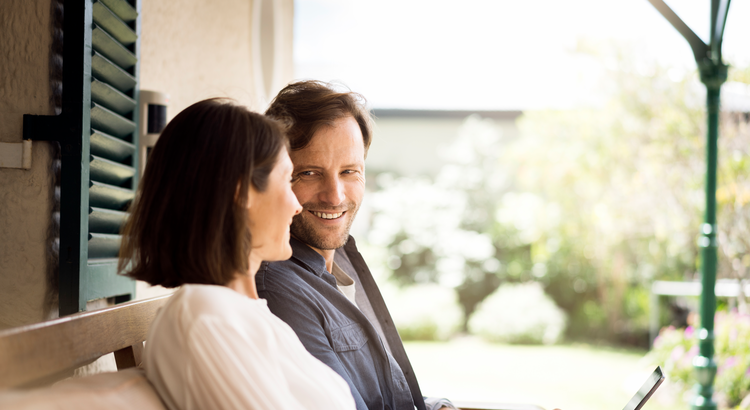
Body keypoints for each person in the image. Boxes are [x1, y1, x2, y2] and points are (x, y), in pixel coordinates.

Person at [118, 98, 356, 410]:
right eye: (288, 180)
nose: (296, 205)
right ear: (241, 191)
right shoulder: (205, 320)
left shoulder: (247, 312)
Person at [256, 81, 455, 410]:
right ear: (274, 177)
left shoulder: (343, 261)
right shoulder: (277, 291)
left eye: (349, 171)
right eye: (308, 173)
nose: (334, 196)